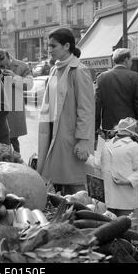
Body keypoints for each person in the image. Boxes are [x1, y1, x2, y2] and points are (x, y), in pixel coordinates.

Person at [37, 28, 95, 195]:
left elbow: (86, 109)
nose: (49, 49)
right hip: (55, 136)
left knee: (76, 186)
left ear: (66, 46)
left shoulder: (79, 70)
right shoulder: (55, 68)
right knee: (59, 186)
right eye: (48, 46)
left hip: (72, 139)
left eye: (53, 46)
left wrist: (83, 140)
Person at [86, 117, 138, 217]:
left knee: (124, 226)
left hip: (124, 197)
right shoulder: (107, 144)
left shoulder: (136, 148)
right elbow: (101, 165)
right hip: (107, 195)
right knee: (108, 226)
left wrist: (127, 181)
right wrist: (87, 158)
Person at [95, 48, 138, 132]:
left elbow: (97, 104)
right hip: (129, 126)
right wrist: (137, 121)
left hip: (109, 126)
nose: (131, 63)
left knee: (111, 145)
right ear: (126, 60)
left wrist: (96, 127)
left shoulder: (101, 77)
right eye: (131, 60)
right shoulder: (135, 77)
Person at [0, 49, 33, 153]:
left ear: (8, 56)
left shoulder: (22, 66)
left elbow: (29, 85)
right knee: (1, 137)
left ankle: (16, 160)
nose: (3, 66)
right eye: (1, 65)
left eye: (4, 63)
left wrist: (14, 77)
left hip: (14, 106)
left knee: (13, 138)